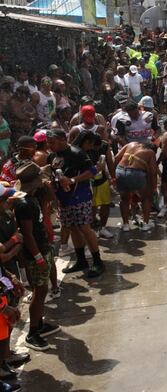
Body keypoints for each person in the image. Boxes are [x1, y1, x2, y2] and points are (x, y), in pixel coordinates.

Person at [13, 163, 58, 352]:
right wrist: (38, 256)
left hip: (42, 248)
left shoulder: (31, 198)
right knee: (39, 293)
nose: (43, 180)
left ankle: (39, 324)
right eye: (41, 177)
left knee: (43, 289)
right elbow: (28, 234)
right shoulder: (24, 204)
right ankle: (33, 333)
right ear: (34, 181)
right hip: (36, 253)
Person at [47, 129, 104, 278]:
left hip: (79, 196)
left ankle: (98, 262)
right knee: (73, 228)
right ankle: (81, 260)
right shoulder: (53, 156)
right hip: (64, 198)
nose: (49, 145)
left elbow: (92, 171)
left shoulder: (76, 153)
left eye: (52, 142)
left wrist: (72, 180)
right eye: (48, 143)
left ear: (62, 139)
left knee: (85, 228)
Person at [114, 141, 158, 232]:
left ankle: (125, 225)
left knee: (124, 199)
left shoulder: (131, 144)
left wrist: (113, 176)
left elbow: (116, 158)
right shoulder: (150, 152)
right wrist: (153, 188)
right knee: (146, 198)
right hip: (136, 173)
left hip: (120, 171)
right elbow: (153, 173)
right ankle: (145, 224)